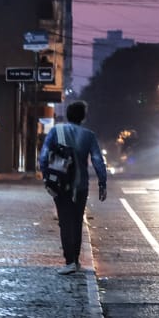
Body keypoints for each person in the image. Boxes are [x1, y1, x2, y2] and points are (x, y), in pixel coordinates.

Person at [36, 100, 107, 275]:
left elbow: (44, 156)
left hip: (60, 183)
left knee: (65, 221)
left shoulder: (56, 131)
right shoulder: (89, 135)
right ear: (83, 117)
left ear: (67, 115)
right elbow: (97, 159)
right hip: (80, 184)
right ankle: (75, 259)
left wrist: (46, 177)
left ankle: (69, 261)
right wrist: (102, 182)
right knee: (76, 221)